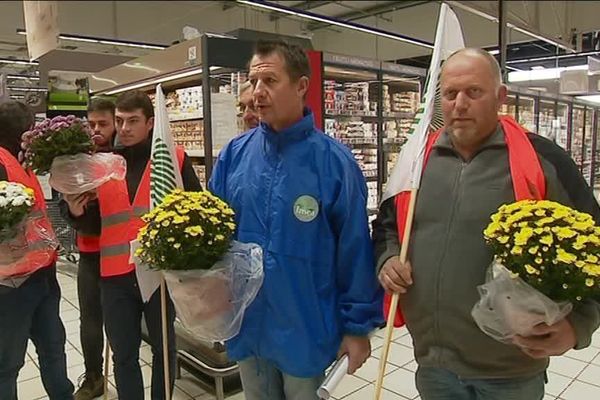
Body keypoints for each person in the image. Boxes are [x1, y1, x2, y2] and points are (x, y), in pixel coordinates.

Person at [373, 48, 600, 400]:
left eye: (473, 92)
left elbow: (593, 245)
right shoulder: (414, 162)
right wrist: (387, 259)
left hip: (511, 371)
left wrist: (579, 325)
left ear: (500, 97)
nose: (459, 104)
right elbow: (387, 226)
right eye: (450, 94)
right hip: (434, 365)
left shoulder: (543, 159)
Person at [209, 40, 383, 400]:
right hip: (247, 326)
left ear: (301, 86)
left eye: (270, 81)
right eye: (253, 81)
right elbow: (214, 234)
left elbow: (354, 251)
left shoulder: (334, 163)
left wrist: (356, 327)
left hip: (305, 329)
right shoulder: (234, 156)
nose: (258, 92)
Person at [62, 91, 202, 400]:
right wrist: (75, 210)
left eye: (133, 121)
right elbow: (92, 225)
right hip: (113, 276)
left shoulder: (173, 158)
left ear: (150, 123)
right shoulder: (102, 165)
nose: (124, 128)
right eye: (120, 121)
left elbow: (196, 210)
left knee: (163, 348)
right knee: (123, 352)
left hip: (158, 273)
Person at [0, 100, 74, 399]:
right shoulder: (2, 165)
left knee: (54, 345)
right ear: (21, 131)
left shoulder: (20, 163)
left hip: (43, 274)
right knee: (8, 362)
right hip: (11, 284)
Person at [62, 98, 117, 400]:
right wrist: (76, 210)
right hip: (90, 252)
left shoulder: (125, 158)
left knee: (122, 321)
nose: (96, 130)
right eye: (91, 124)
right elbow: (68, 210)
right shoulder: (77, 161)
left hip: (122, 253)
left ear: (115, 123)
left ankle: (124, 368)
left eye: (103, 124)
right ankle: (93, 376)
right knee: (90, 318)